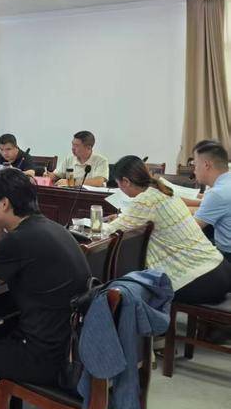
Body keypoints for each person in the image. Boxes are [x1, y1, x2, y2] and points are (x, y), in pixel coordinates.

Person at [0, 168, 90, 409]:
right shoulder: (51, 228)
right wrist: (0, 235)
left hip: (42, 357)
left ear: (4, 204)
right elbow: (16, 261)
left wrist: (1, 237)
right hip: (67, 348)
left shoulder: (19, 239)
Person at [108, 156, 231, 303]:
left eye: (118, 184)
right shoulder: (164, 191)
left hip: (200, 280)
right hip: (220, 269)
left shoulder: (145, 199)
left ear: (126, 181)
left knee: (139, 291)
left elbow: (110, 231)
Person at [193, 142, 231, 262]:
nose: (194, 170)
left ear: (206, 165)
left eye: (195, 164)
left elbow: (191, 229)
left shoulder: (217, 193)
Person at [45, 130, 109, 187]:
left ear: (88, 148)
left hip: (92, 195)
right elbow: (57, 175)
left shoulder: (101, 161)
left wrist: (71, 182)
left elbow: (98, 182)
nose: (73, 148)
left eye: (77, 145)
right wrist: (49, 175)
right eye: (73, 144)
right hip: (70, 194)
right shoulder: (69, 159)